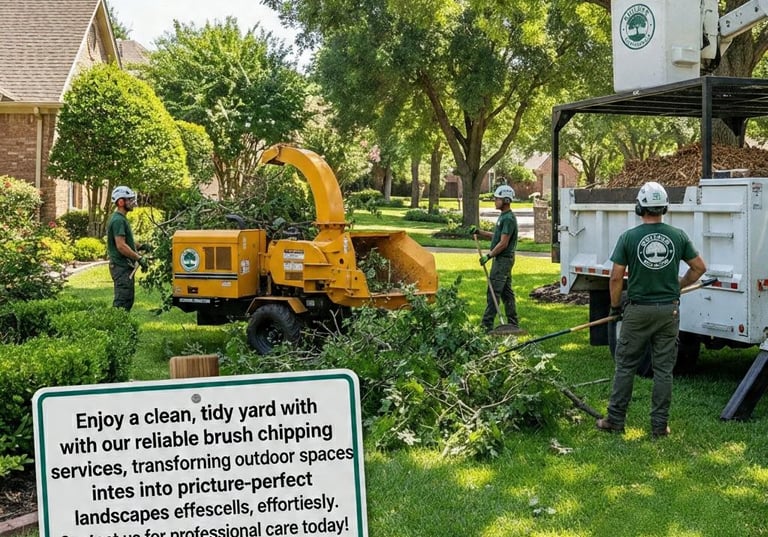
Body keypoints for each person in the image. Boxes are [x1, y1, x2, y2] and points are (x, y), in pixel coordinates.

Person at [596, 181, 706, 439]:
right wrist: (678, 286)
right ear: (664, 207)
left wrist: (614, 306)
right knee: (664, 369)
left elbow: (615, 278)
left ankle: (615, 419)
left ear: (639, 207)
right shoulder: (678, 236)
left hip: (638, 311)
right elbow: (700, 267)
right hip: (669, 312)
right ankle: (659, 426)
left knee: (625, 365)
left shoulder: (628, 237)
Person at [474, 184, 521, 333]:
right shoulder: (504, 217)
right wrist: (479, 232)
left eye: (497, 198)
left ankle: (486, 326)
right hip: (502, 259)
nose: (495, 200)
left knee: (493, 292)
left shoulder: (508, 219)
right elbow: (497, 237)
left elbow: (503, 243)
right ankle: (513, 323)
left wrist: (489, 256)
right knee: (507, 292)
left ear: (506, 200)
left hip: (503, 260)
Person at [106, 186, 148, 311]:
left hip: (123, 267)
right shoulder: (118, 220)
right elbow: (121, 246)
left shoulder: (120, 218)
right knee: (122, 303)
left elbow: (126, 241)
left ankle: (121, 328)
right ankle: (115, 328)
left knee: (127, 300)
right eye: (129, 200)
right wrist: (139, 258)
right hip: (120, 267)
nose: (132, 202)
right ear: (120, 202)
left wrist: (141, 246)